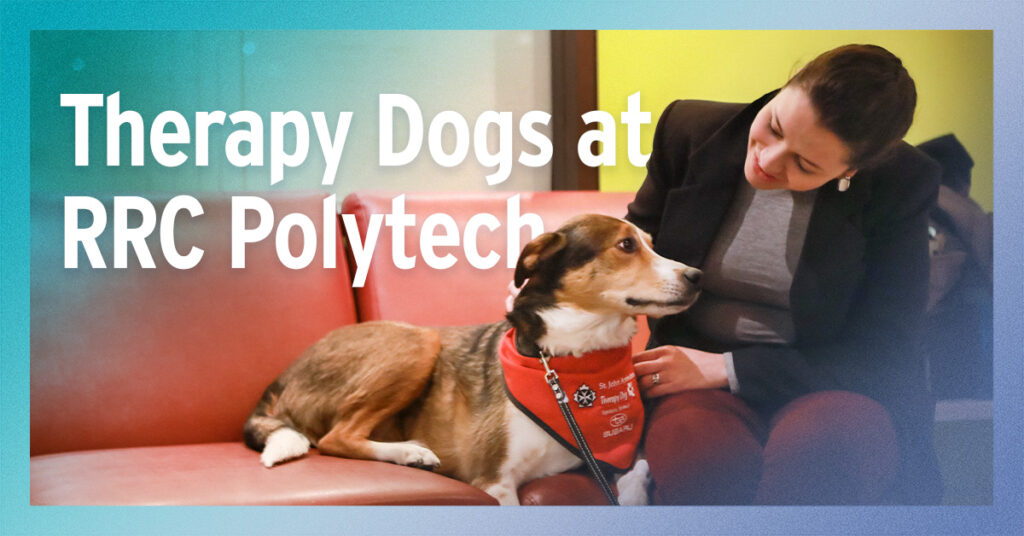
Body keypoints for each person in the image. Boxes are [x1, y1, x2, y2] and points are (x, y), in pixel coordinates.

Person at [626, 44, 943, 504]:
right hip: (693, 376)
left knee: (822, 454)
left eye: (805, 164)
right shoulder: (689, 131)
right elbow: (629, 257)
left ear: (850, 170)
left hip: (832, 380)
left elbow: (885, 350)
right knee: (702, 455)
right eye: (773, 127)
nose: (768, 161)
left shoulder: (901, 184)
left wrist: (729, 369)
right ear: (787, 86)